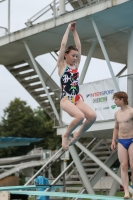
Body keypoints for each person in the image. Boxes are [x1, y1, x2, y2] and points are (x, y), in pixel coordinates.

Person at [57, 22, 96, 151]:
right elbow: (63, 45)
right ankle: (65, 135)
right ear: (65, 55)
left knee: (92, 116)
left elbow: (78, 45)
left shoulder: (76, 65)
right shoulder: (62, 66)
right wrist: (68, 29)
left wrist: (75, 31)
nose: (75, 58)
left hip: (77, 98)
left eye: (76, 56)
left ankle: (78, 133)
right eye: (73, 56)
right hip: (66, 99)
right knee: (79, 117)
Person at [111, 91, 133, 199]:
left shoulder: (131, 112)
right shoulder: (116, 114)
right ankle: (126, 192)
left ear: (122, 99)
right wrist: (113, 141)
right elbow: (116, 127)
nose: (114, 101)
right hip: (121, 141)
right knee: (123, 166)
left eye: (116, 99)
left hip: (132, 140)